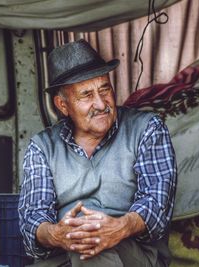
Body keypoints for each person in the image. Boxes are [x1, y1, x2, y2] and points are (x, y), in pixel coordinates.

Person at [18, 39, 177, 267]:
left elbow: (157, 202)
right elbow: (32, 218)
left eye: (105, 90)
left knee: (91, 242)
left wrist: (120, 227)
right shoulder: (42, 147)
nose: (101, 104)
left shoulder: (147, 129)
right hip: (64, 254)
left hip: (133, 254)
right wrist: (56, 233)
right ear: (63, 106)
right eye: (86, 95)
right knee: (84, 237)